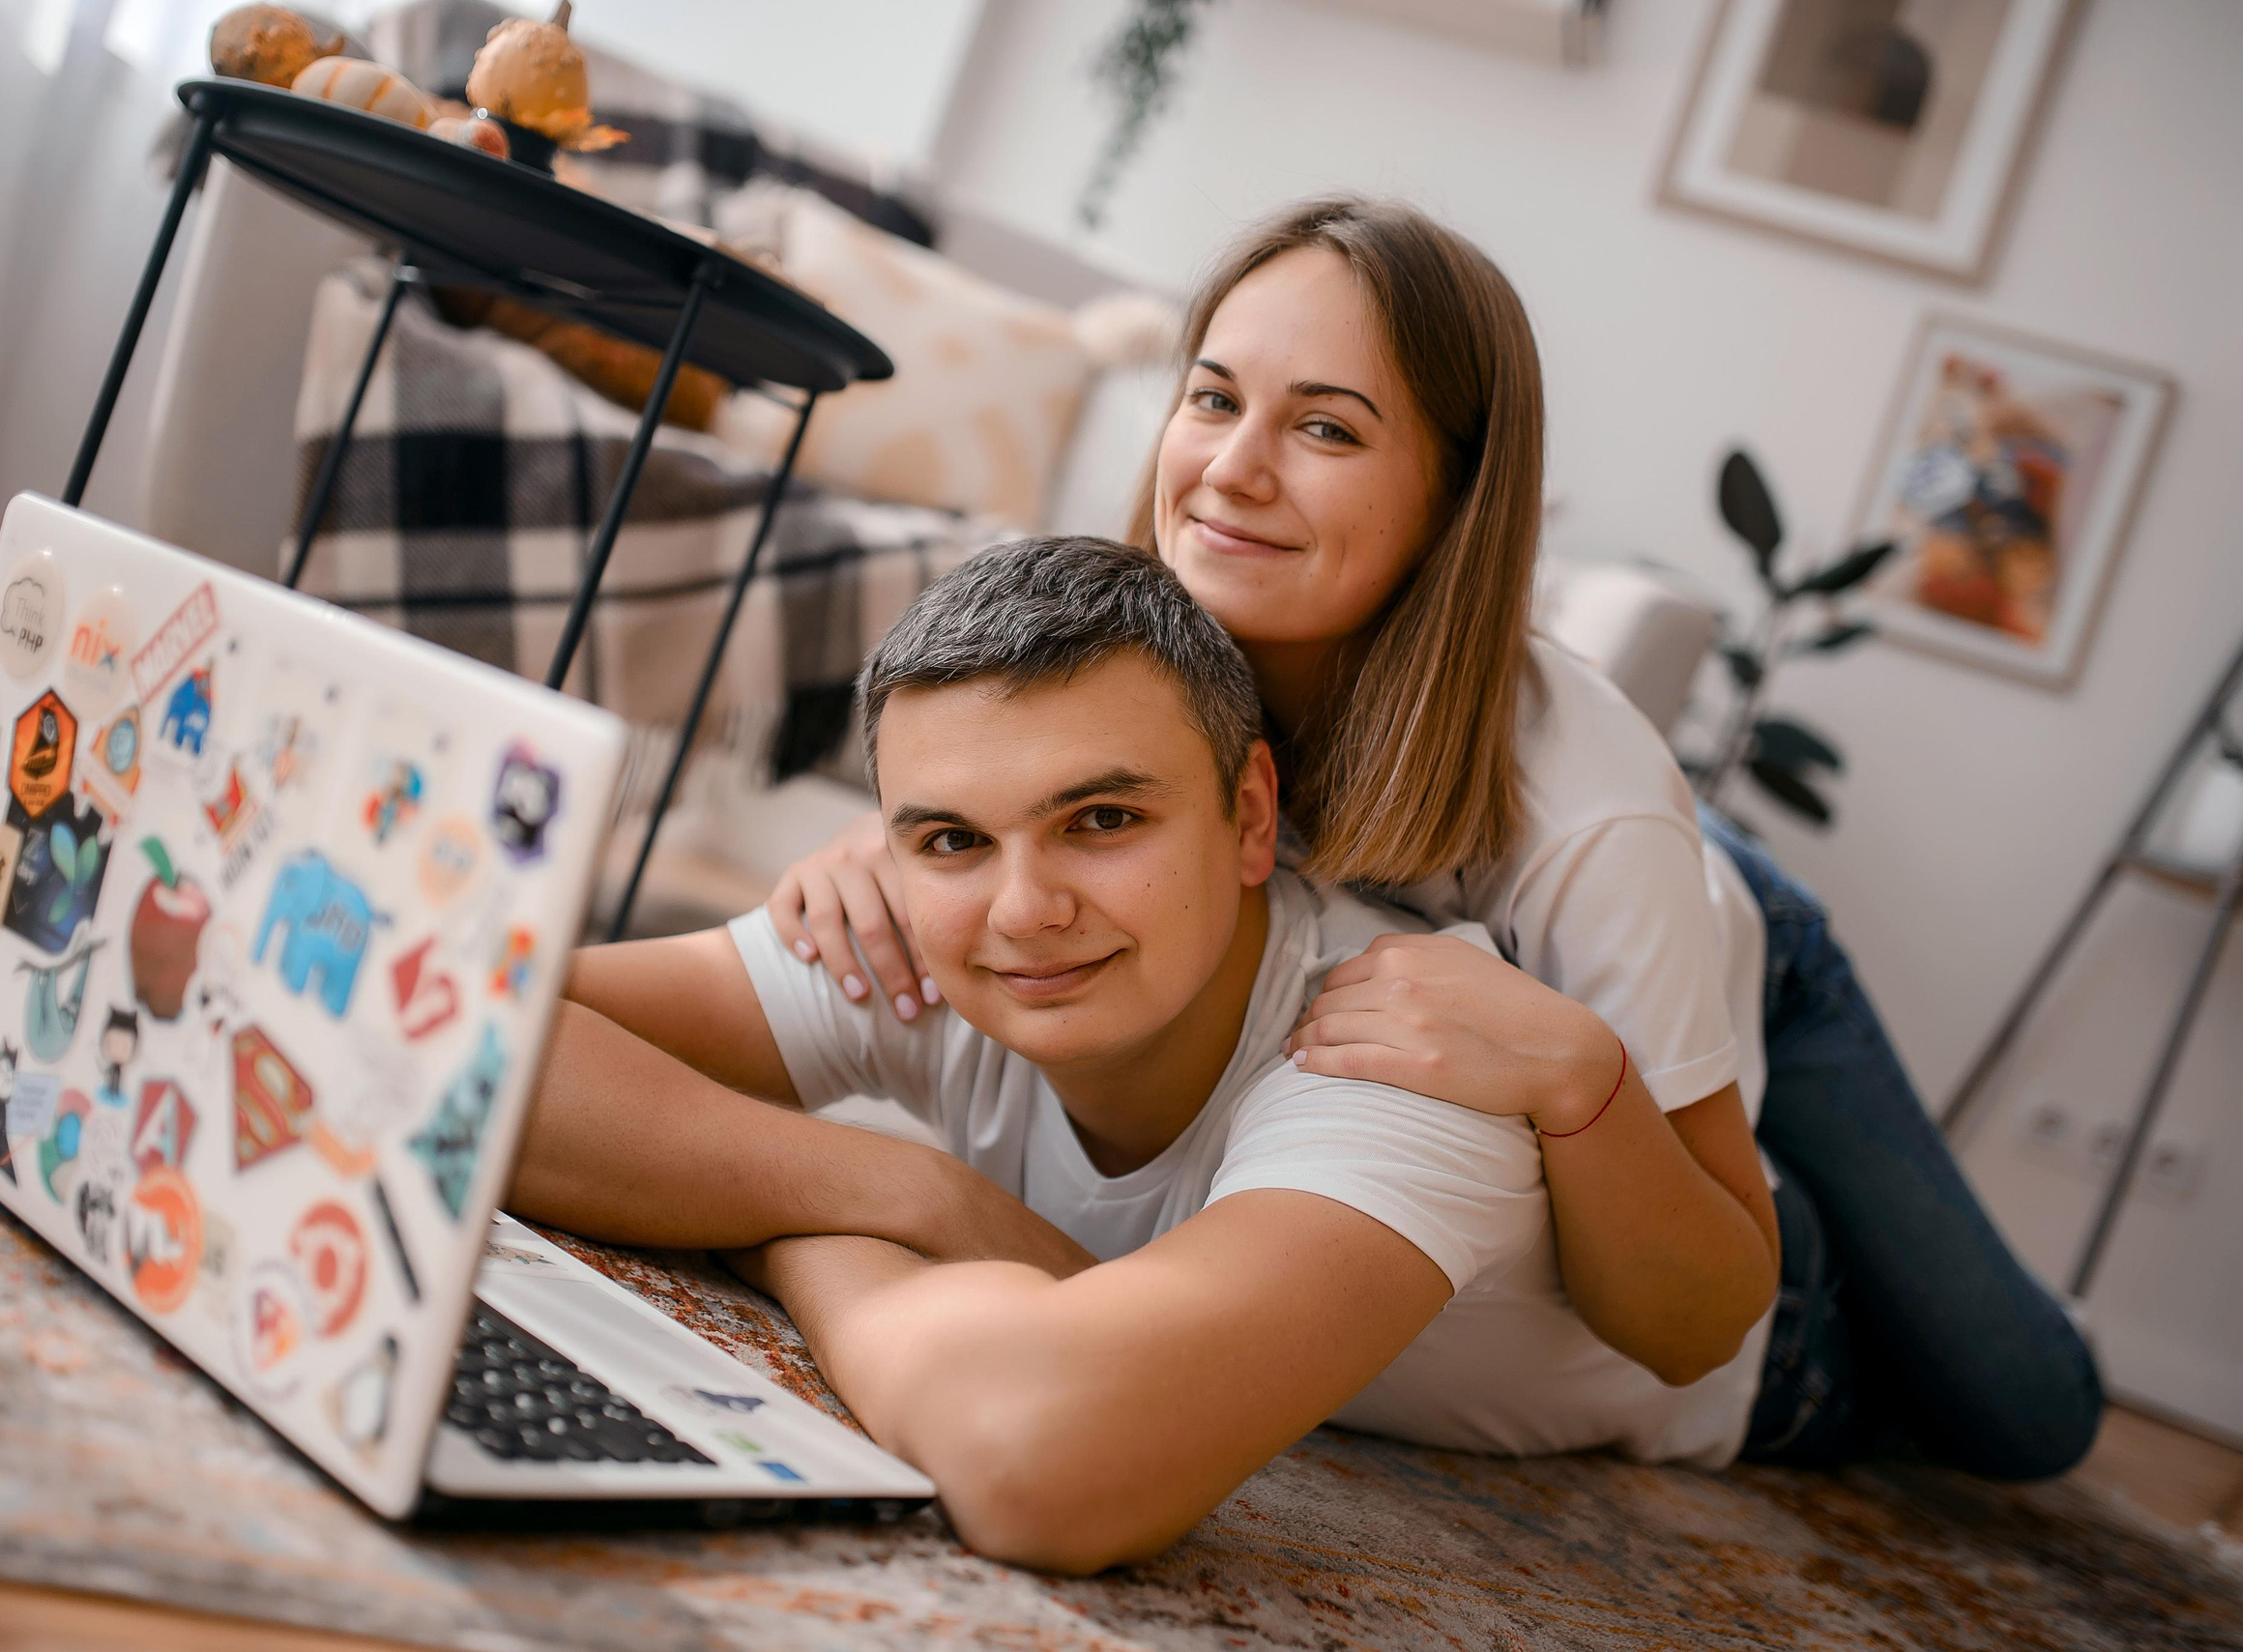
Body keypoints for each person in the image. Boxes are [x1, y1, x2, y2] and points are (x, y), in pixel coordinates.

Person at [762, 197, 2101, 1480]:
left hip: (1734, 938)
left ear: (1455, 493)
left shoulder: (1586, 810)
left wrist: (1581, 1072)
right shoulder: (1131, 648)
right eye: (1214, 399)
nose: (1233, 469)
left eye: (1328, 430)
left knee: (2023, 1409)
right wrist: (888, 854)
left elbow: (1702, 1317)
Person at [510, 537, 1773, 1575]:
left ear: (1249, 816)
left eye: (1102, 818)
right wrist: (897, 1189)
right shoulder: (912, 933)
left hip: (1769, 1335)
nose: (1023, 910)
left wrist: (786, 1228)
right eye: (948, 837)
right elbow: (462, 1020)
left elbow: (1040, 1464)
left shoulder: (1394, 1046)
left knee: (1979, 1380)